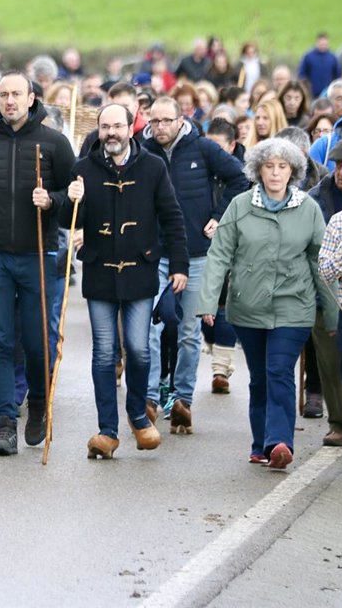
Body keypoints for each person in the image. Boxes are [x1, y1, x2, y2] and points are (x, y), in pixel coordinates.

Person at [0, 72, 75, 456]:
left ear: (30, 98)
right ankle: (5, 423)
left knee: (37, 340)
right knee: (0, 342)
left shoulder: (54, 143)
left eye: (16, 94)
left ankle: (39, 402)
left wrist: (54, 200)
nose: (9, 101)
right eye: (3, 94)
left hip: (39, 254)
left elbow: (75, 199)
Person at [65, 104, 188, 459]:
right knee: (104, 353)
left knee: (138, 348)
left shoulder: (152, 166)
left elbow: (172, 215)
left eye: (117, 126)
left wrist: (179, 264)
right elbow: (68, 219)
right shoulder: (83, 168)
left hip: (140, 270)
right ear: (99, 130)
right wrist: (72, 200)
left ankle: (137, 415)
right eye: (105, 127)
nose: (111, 133)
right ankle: (106, 430)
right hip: (100, 271)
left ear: (130, 128)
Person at [200, 139, 325, 470]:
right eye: (269, 166)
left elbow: (319, 261)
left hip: (294, 306)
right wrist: (209, 301)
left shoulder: (308, 208)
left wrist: (331, 311)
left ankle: (279, 442)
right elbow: (219, 255)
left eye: (282, 167)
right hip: (248, 307)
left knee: (278, 370)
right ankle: (260, 444)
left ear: (293, 172)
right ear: (258, 170)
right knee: (260, 377)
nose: (275, 173)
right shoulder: (240, 205)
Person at [140, 96, 248, 432]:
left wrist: (220, 217)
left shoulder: (202, 148)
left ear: (180, 119)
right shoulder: (141, 151)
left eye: (166, 121)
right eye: (154, 121)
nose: (160, 127)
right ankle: (150, 399)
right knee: (150, 329)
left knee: (188, 331)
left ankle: (183, 399)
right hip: (153, 253)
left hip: (197, 251)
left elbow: (240, 180)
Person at [304, 138, 342, 447]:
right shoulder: (316, 200)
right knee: (332, 364)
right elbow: (316, 260)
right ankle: (340, 423)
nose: (341, 173)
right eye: (338, 166)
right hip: (326, 295)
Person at [298, 33, 341, 99]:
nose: (323, 46)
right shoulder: (309, 56)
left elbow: (337, 75)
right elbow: (302, 74)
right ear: (317, 43)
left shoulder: (332, 57)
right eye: (321, 44)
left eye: (325, 44)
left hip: (328, 94)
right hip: (312, 94)